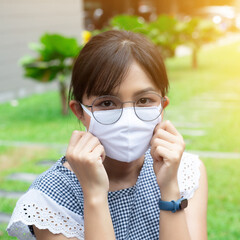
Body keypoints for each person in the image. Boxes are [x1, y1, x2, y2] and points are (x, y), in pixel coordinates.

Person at [7, 30, 208, 240]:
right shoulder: (51, 198)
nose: (128, 118)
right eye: (107, 103)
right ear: (80, 112)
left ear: (162, 106)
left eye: (144, 100)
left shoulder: (186, 172)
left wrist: (169, 188)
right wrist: (94, 194)